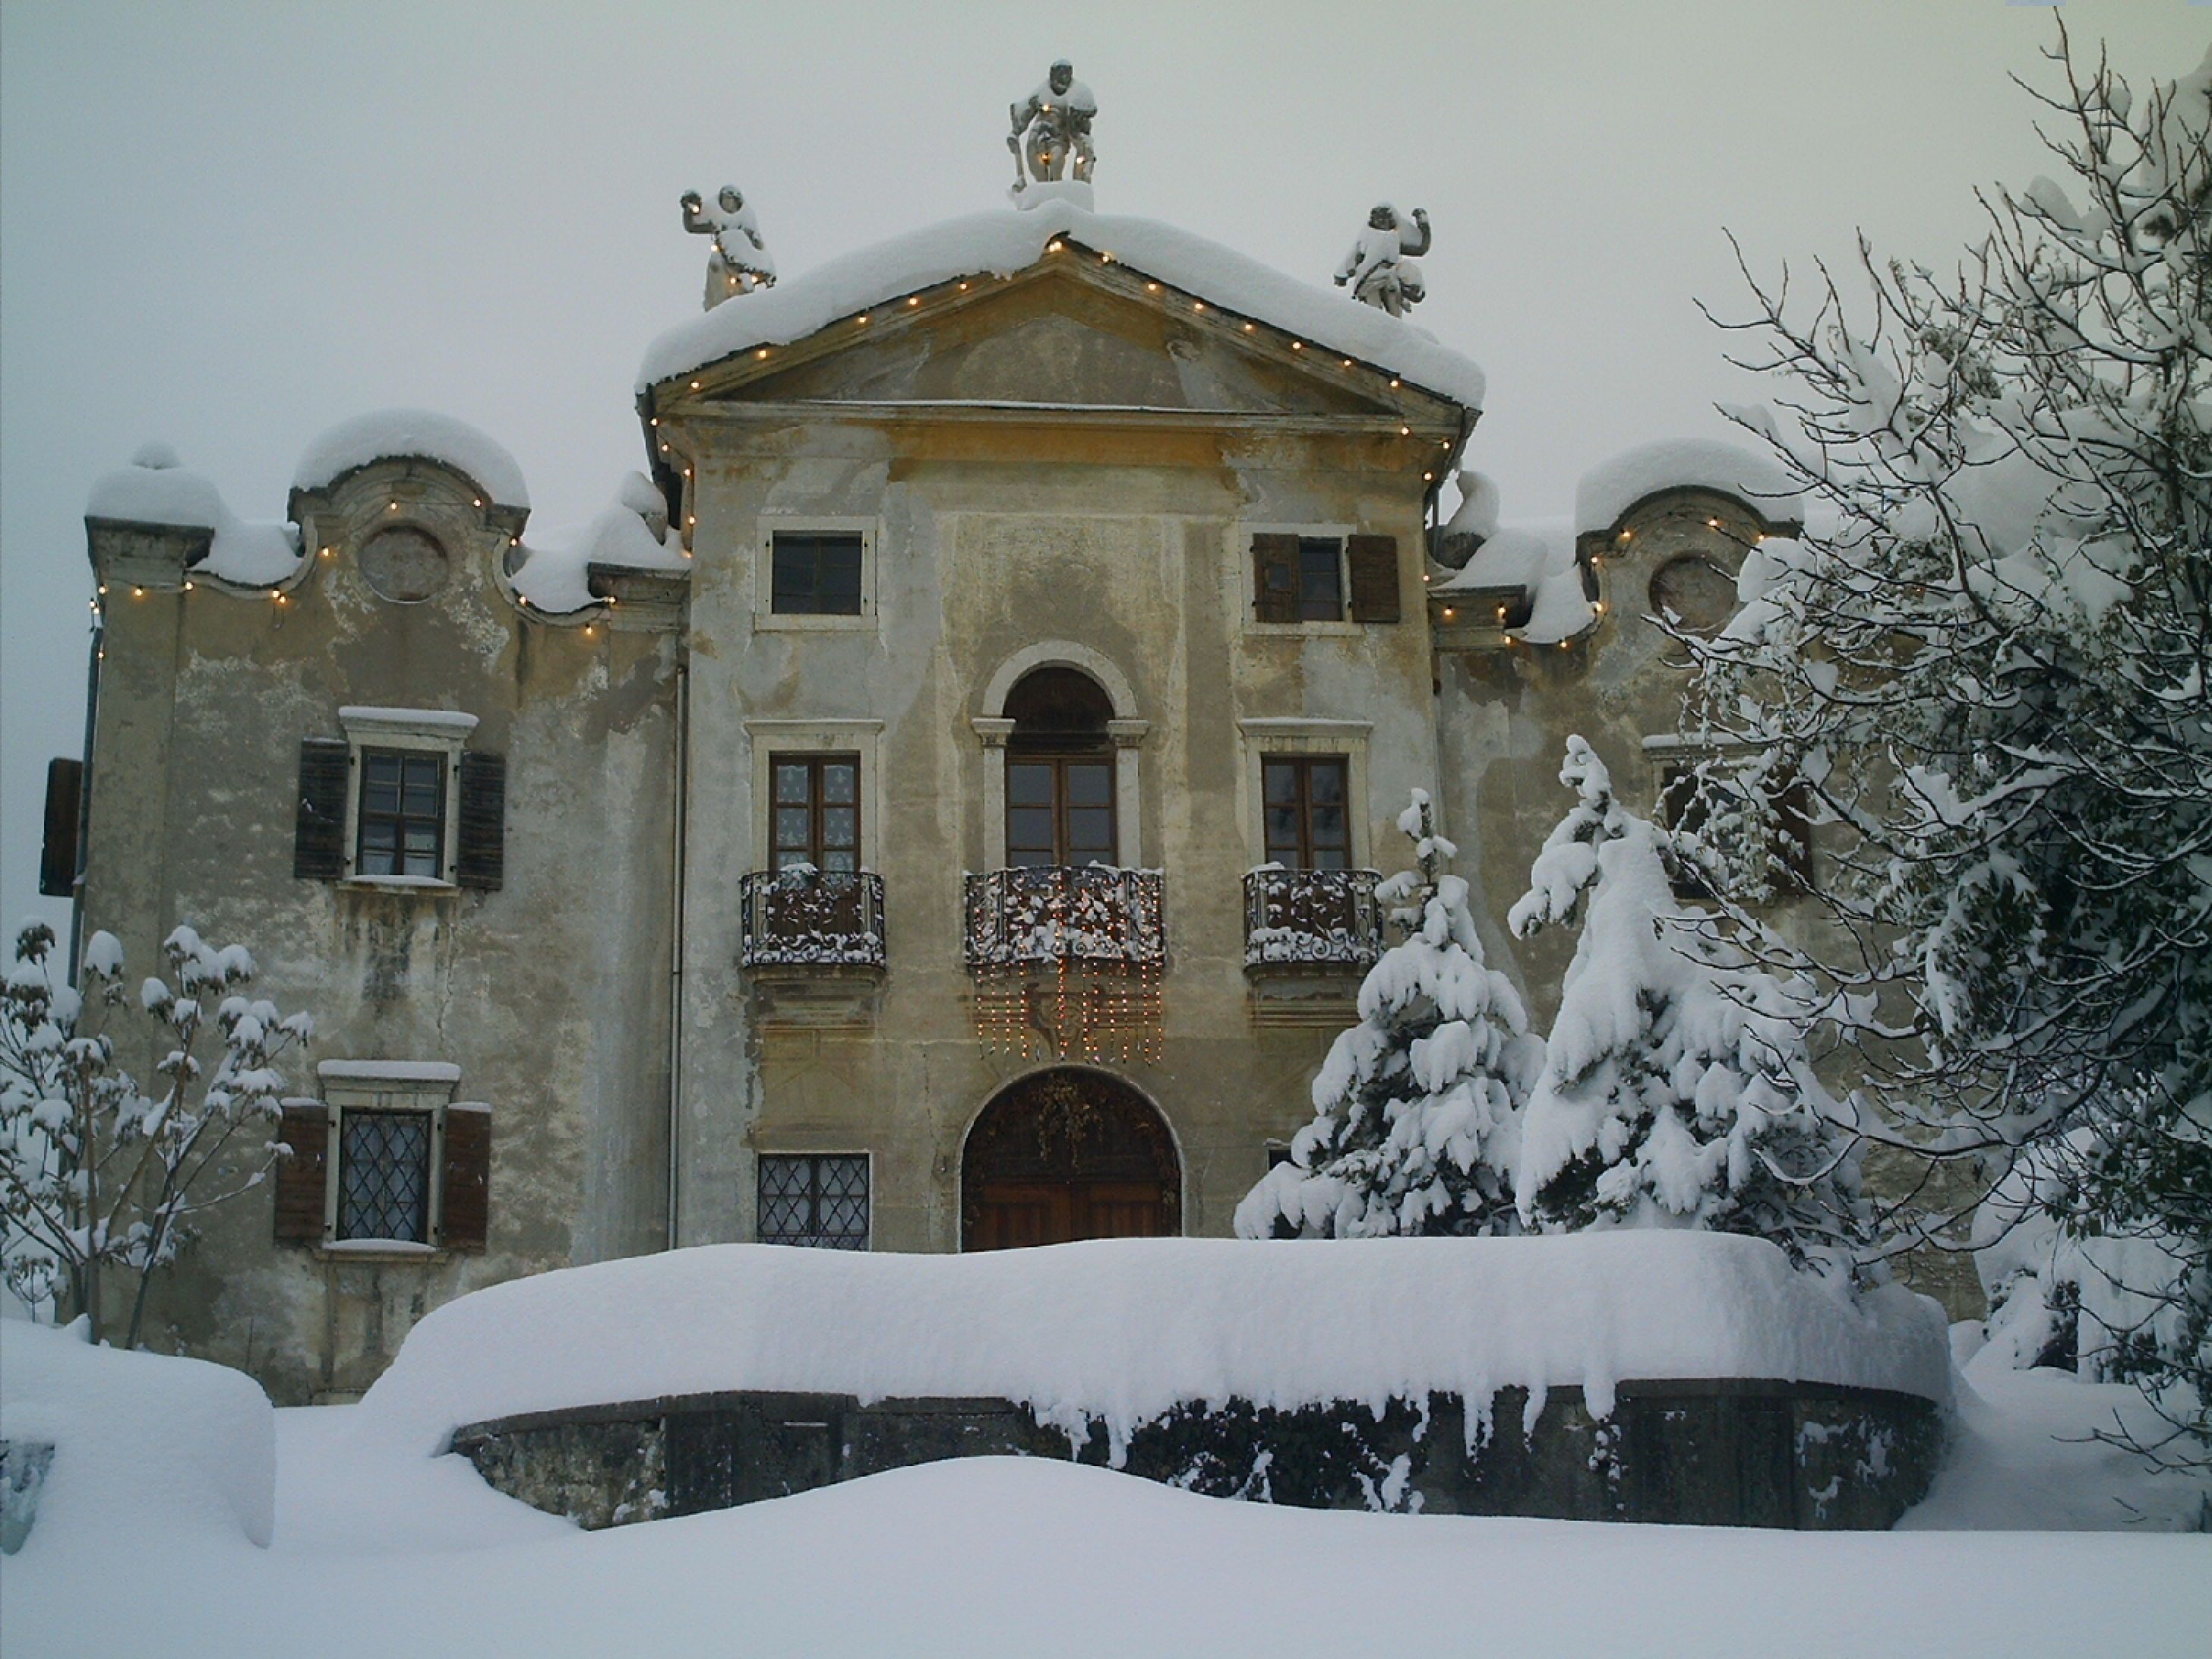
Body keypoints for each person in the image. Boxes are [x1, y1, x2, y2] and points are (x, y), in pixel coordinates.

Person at [680, 185, 777, 310]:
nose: (729, 205)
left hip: (741, 263)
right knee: (716, 266)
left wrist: (767, 270)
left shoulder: (746, 218)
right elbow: (693, 225)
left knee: (745, 287)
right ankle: (715, 307)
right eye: (725, 201)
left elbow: (758, 245)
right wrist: (689, 210)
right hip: (723, 256)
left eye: (731, 201)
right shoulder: (714, 212)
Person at [1009, 60, 1097, 188]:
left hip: (1063, 135)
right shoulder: (1042, 93)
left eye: (1066, 75)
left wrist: (1077, 118)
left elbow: (1089, 110)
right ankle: (1043, 190)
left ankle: (1078, 185)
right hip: (1040, 134)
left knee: (1069, 157)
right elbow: (1025, 109)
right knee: (1036, 163)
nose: (1062, 80)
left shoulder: (1079, 93)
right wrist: (1016, 132)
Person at [1334, 204, 1431, 317]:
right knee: (1373, 312)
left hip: (1389, 280)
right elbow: (1352, 258)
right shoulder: (1366, 238)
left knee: (1394, 311)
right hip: (1368, 283)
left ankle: (1394, 330)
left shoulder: (1395, 236)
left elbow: (1421, 248)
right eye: (1379, 220)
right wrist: (1342, 275)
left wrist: (1423, 222)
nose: (1382, 224)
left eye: (1385, 220)